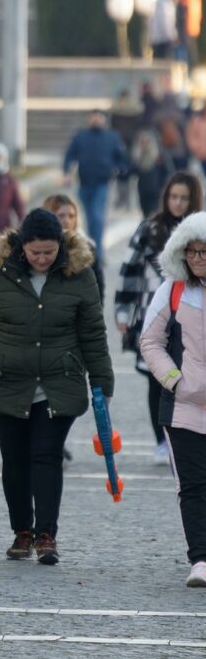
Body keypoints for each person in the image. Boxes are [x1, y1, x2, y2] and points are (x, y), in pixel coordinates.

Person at [0, 209, 113, 566]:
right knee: (15, 459)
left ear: (62, 248)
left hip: (59, 382)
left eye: (49, 252)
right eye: (35, 252)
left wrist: (102, 381)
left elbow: (92, 333)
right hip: (6, 382)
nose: (41, 259)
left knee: (47, 455)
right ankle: (22, 531)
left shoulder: (80, 275)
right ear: (21, 246)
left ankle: (46, 534)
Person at [139, 210, 206, 587]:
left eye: (204, 252)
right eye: (191, 252)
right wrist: (174, 381)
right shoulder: (173, 290)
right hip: (183, 406)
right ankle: (200, 559)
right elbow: (150, 340)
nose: (198, 259)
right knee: (193, 486)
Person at [115, 172, 202, 462]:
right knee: (157, 379)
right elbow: (129, 270)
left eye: (184, 198)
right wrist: (123, 310)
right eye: (174, 196)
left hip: (191, 317)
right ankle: (161, 439)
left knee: (190, 376)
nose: (178, 203)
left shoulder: (198, 232)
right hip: (151, 312)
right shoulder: (149, 229)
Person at [62, 109, 128, 262]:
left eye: (99, 117)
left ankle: (97, 255)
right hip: (84, 183)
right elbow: (70, 155)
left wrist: (121, 170)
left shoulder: (112, 137)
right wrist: (67, 172)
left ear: (104, 119)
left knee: (97, 217)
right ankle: (92, 248)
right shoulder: (81, 136)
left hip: (102, 183)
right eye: (93, 117)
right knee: (89, 218)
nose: (95, 120)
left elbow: (121, 158)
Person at [44, 193, 106, 297]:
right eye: (61, 215)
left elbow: (98, 289)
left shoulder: (88, 248)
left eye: (71, 216)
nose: (67, 221)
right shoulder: (37, 248)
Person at [130, 127, 175, 218]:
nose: (145, 145)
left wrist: (165, 185)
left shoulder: (159, 156)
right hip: (143, 190)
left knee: (154, 214)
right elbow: (132, 171)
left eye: (147, 142)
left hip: (157, 190)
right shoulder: (138, 157)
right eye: (142, 142)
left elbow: (168, 171)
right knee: (146, 214)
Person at [178, 0, 202, 67]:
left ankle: (189, 67)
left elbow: (182, 15)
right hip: (194, 27)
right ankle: (194, 65)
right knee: (192, 49)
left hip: (186, 27)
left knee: (186, 50)